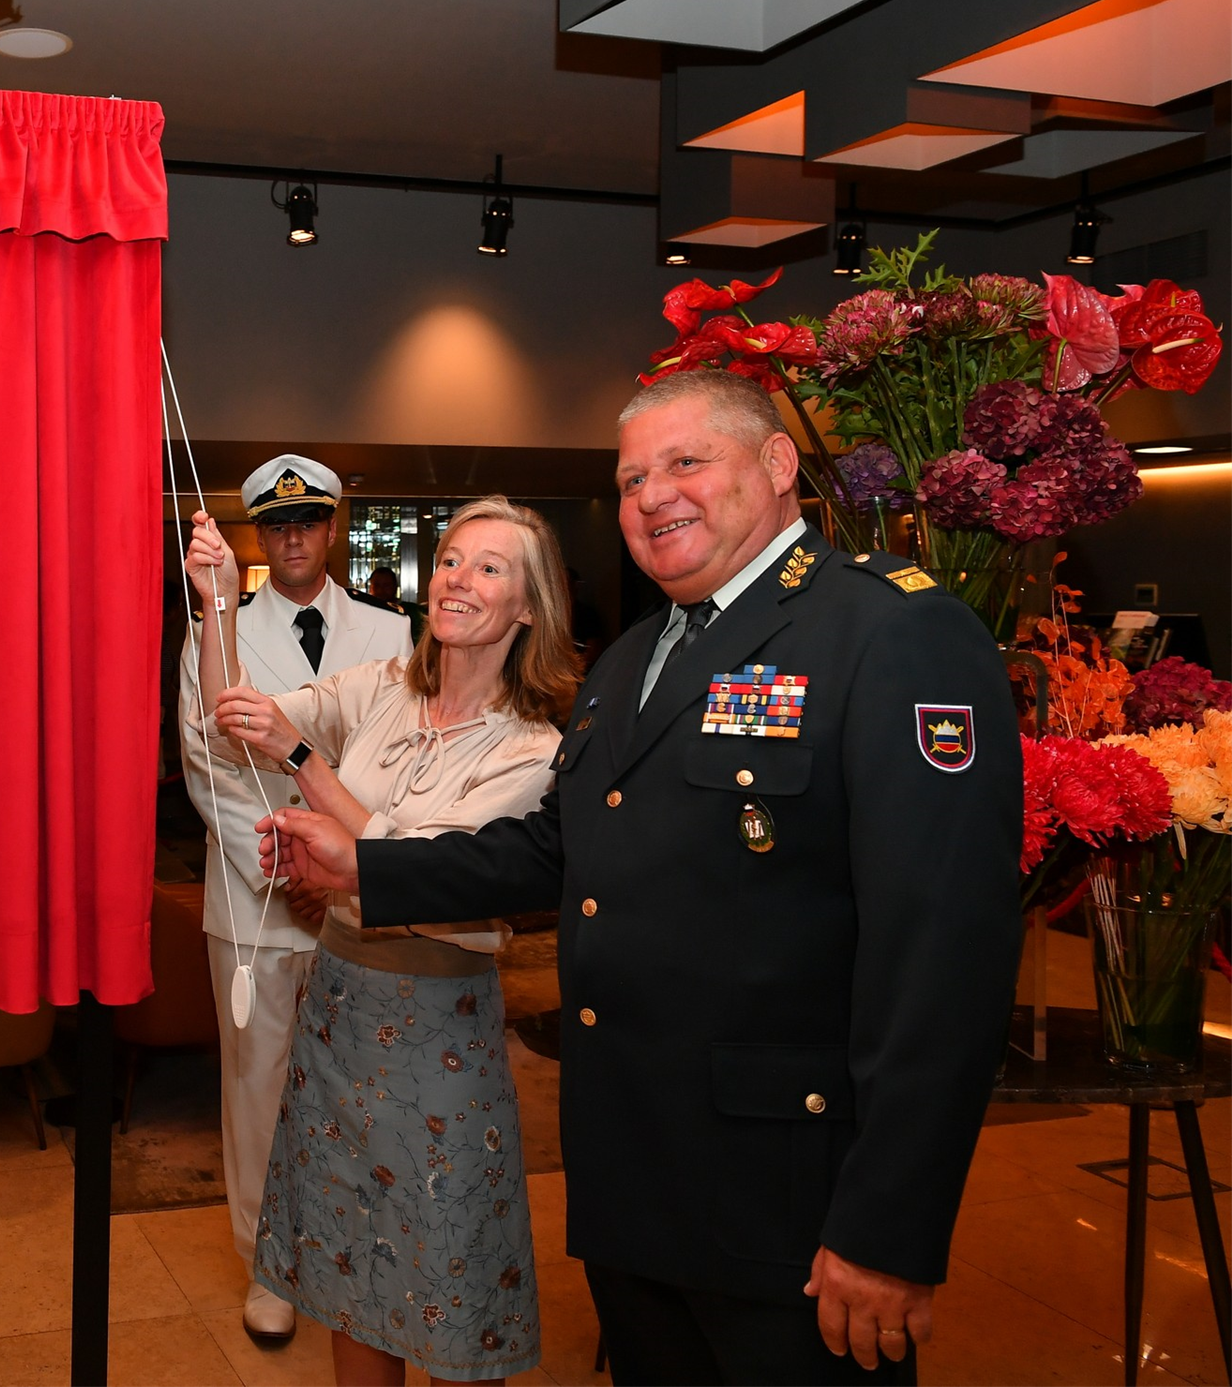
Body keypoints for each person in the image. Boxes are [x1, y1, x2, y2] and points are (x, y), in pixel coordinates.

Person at [260, 368, 1023, 1386]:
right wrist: (370, 866)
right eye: (629, 479)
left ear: (777, 465)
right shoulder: (628, 665)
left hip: (786, 1204)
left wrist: (891, 1226)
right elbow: (551, 852)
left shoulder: (886, 633)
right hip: (633, 1185)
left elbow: (945, 956)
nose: (653, 494)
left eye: (685, 462)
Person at [185, 495, 582, 1387]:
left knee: (447, 1263)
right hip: (337, 1015)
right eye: (449, 559)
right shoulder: (383, 689)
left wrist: (306, 766)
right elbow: (232, 714)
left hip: (436, 1029)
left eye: (489, 567)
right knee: (347, 1262)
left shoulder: (533, 749)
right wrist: (216, 603)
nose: (457, 579)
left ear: (530, 606)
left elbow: (424, 870)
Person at [176, 453, 413, 1340]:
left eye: (307, 522)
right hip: (256, 901)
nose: (293, 537)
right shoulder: (217, 624)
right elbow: (211, 766)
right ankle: (270, 1265)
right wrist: (288, 872)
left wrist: (344, 870)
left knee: (363, 1082)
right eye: (276, 525)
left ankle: (360, 1248)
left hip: (359, 896)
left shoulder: (390, 634)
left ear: (331, 527)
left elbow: (397, 765)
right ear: (258, 537)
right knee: (262, 1087)